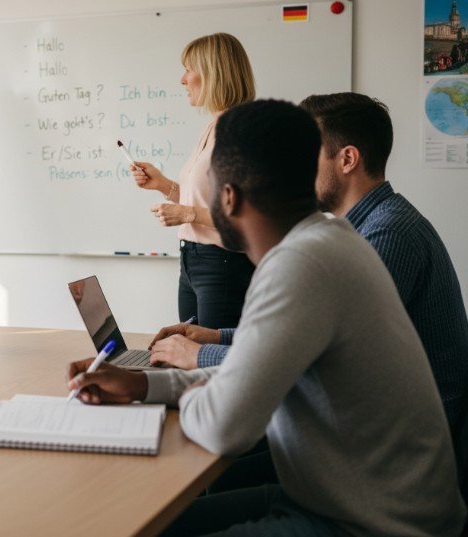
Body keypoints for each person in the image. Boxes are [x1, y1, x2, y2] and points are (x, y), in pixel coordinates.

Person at [66, 100, 465, 536]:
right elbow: (247, 372)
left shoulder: (303, 265)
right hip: (335, 493)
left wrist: (190, 394)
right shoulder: (328, 240)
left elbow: (224, 426)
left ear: (228, 198)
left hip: (373, 522)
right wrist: (144, 385)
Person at [150, 93, 468, 431]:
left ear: (347, 159)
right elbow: (297, 338)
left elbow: (307, 361)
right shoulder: (363, 228)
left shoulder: (386, 236)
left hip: (403, 439)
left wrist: (196, 356)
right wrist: (216, 337)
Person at [131, 32, 256, 330]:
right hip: (193, 263)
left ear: (213, 73)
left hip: (222, 265)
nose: (183, 80)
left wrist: (186, 214)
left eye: (189, 69)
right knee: (190, 358)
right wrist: (163, 184)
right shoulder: (214, 126)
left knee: (211, 363)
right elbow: (207, 200)